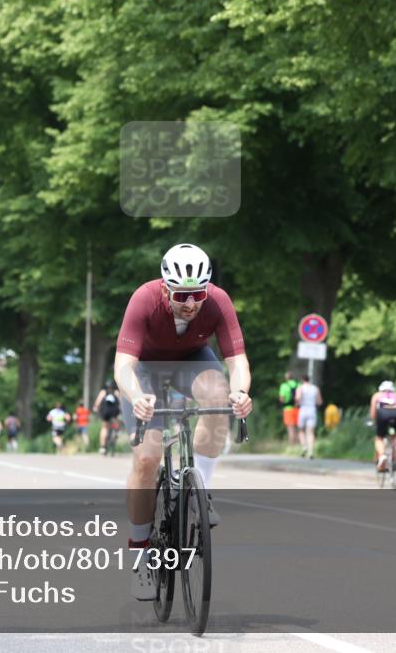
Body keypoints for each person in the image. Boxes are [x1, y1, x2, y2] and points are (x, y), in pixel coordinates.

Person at [115, 243, 252, 600]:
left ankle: (198, 492)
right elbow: (123, 365)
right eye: (181, 296)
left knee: (219, 397)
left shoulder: (218, 301)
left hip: (191, 359)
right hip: (145, 368)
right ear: (165, 288)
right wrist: (136, 396)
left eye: (198, 294)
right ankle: (140, 554)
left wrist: (240, 393)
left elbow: (237, 361)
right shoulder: (144, 299)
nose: (191, 303)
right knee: (147, 458)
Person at [370, 380, 396, 471]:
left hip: (383, 415)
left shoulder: (377, 396)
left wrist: (374, 421)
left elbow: (373, 413)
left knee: (379, 438)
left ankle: (382, 455)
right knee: (393, 436)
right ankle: (394, 460)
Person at [294, 374, 323, 459]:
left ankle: (304, 447)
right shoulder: (315, 388)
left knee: (300, 430)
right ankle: (311, 452)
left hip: (303, 410)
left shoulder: (300, 388)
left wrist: (297, 403)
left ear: (302, 380)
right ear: (309, 379)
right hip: (312, 410)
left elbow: (298, 398)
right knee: (310, 432)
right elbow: (319, 402)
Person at [94, 380, 122, 455]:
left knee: (104, 428)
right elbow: (121, 403)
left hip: (105, 412)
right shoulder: (116, 392)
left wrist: (96, 408)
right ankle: (115, 434)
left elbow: (97, 402)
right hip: (114, 413)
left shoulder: (103, 392)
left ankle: (102, 448)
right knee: (116, 426)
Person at [279, 371, 300, 447]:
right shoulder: (298, 385)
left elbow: (281, 399)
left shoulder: (284, 386)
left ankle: (292, 446)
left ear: (286, 378)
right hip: (297, 409)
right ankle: (299, 446)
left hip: (288, 409)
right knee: (298, 428)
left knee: (290, 428)